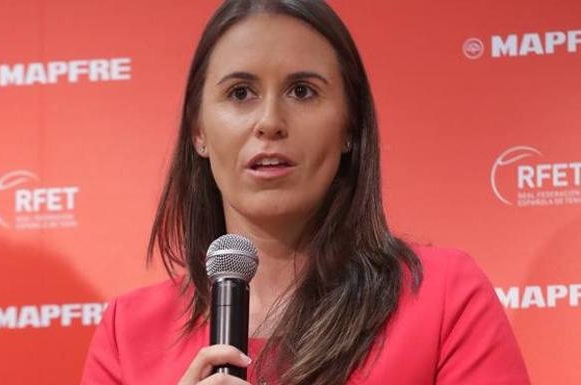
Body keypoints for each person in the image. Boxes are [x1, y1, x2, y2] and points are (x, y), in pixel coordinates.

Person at [81, 1, 531, 384]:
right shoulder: (129, 333)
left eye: (302, 91)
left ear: (349, 127)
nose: (270, 121)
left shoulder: (442, 300)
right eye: (240, 93)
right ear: (198, 130)